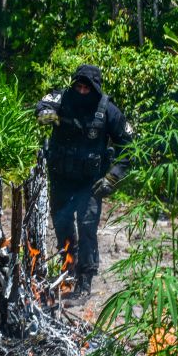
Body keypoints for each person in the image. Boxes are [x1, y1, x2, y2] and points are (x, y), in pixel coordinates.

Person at [35, 64, 133, 303]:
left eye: (85, 88)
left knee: (87, 228)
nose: (80, 91)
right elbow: (43, 104)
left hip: (90, 183)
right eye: (77, 86)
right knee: (62, 224)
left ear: (94, 88)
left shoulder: (107, 110)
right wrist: (45, 113)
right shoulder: (62, 97)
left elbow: (129, 147)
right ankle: (68, 272)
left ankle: (85, 282)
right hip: (61, 178)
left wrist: (113, 177)